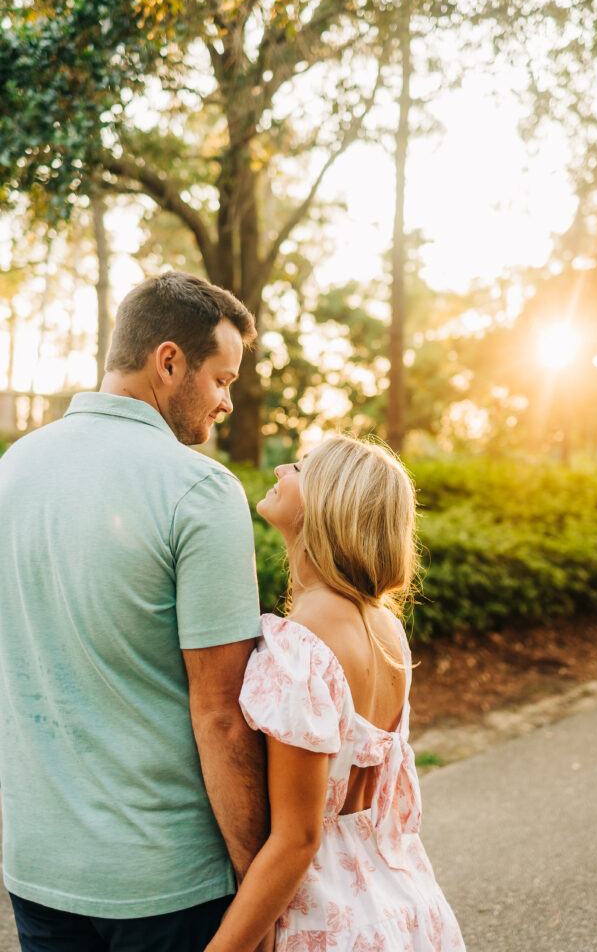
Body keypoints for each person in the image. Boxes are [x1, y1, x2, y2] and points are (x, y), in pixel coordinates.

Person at [0, 272, 271, 952]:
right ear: (169, 361)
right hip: (167, 881)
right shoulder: (200, 490)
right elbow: (222, 715)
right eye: (221, 379)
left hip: (38, 870)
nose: (226, 402)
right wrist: (258, 887)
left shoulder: (12, 470)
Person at [204, 434, 466, 952]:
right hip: (404, 904)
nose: (281, 467)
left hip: (329, 922)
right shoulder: (386, 629)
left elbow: (298, 839)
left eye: (300, 466)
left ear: (328, 502)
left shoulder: (301, 641)